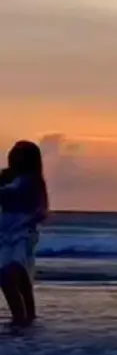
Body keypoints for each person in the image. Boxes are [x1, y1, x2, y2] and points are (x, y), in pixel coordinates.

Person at [0, 140, 49, 328]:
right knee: (10, 275)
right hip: (5, 232)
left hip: (23, 231)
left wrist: (32, 217)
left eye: (20, 152)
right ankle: (24, 318)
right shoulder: (6, 177)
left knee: (13, 272)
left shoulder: (34, 180)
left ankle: (22, 318)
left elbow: (42, 208)